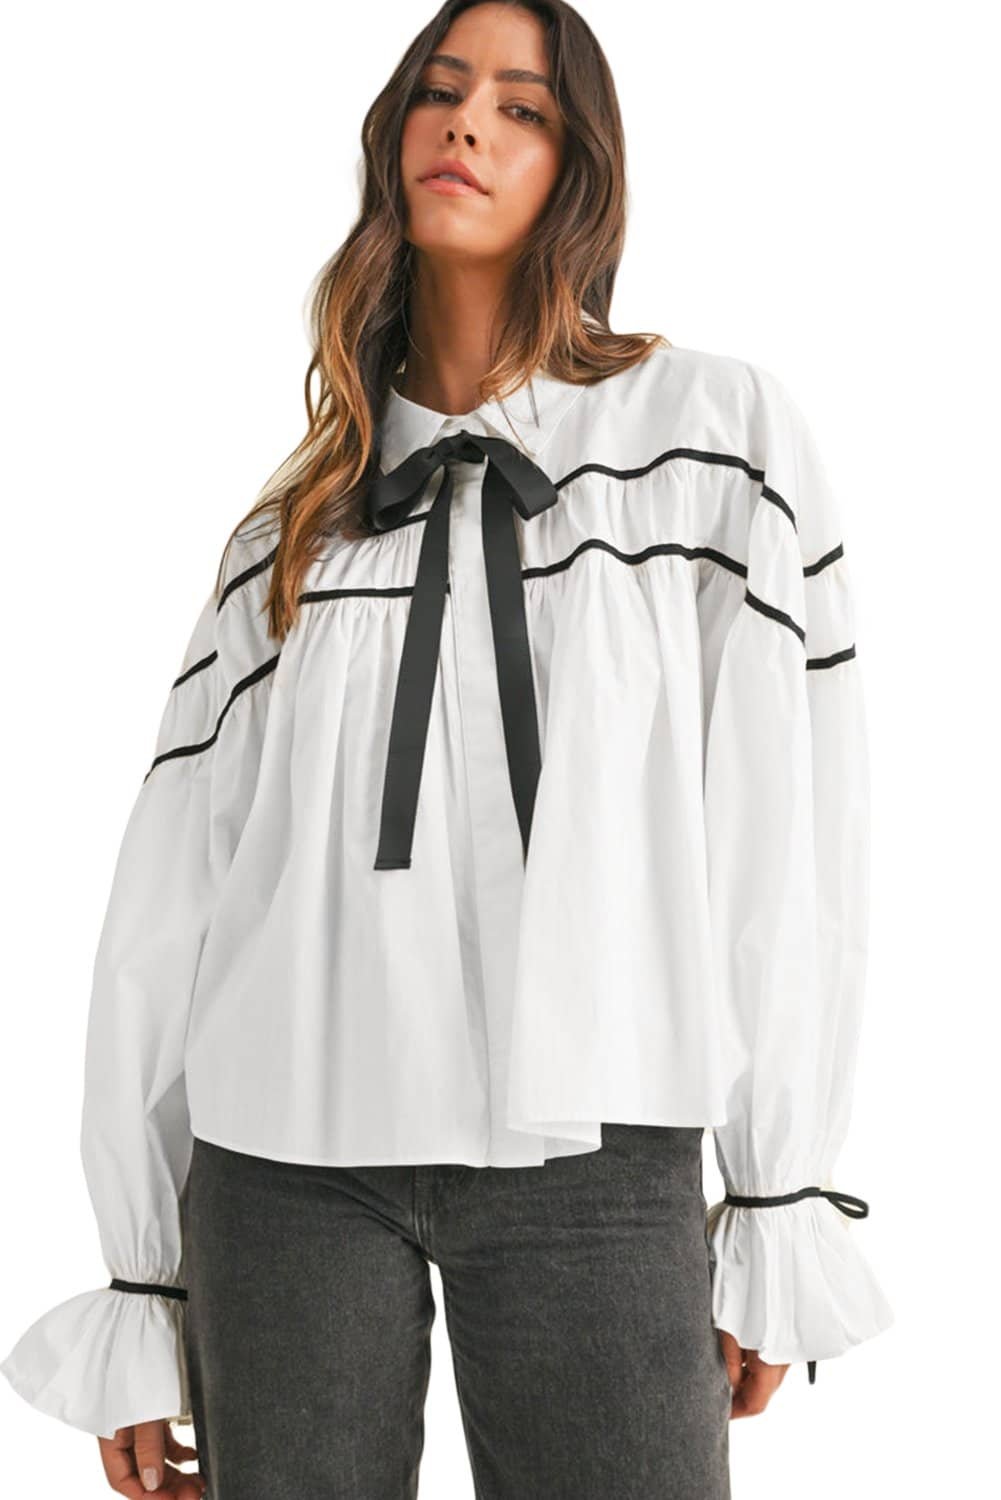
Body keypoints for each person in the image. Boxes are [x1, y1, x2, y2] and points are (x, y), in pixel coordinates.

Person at [0, 1, 895, 1495]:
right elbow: (170, 898)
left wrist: (776, 1190)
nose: (467, 122)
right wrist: (144, 1281)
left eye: (521, 107)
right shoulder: (290, 530)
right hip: (281, 1168)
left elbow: (789, 824)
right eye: (440, 89)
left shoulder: (709, 436)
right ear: (393, 137)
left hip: (597, 1149)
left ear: (577, 169)